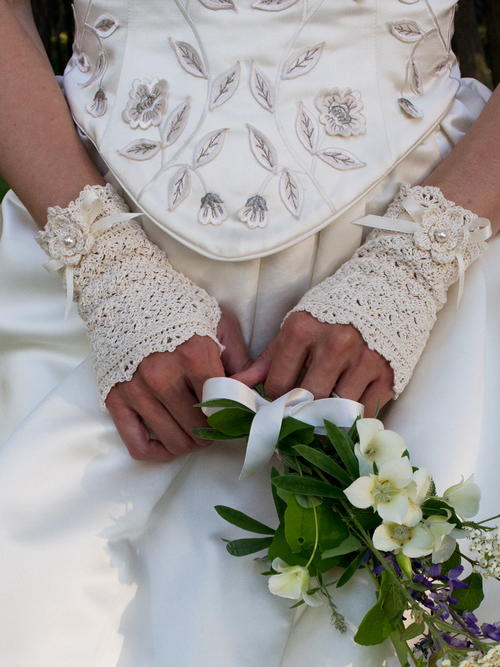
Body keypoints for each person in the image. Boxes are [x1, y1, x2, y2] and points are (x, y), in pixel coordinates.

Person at [0, 1, 498, 665]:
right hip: (89, 245)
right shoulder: (103, 274)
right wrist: (108, 271)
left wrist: (412, 266)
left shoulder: (415, 270)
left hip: (426, 255)